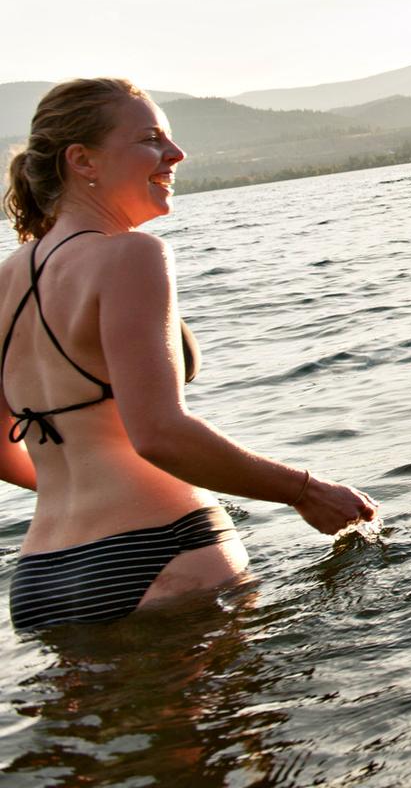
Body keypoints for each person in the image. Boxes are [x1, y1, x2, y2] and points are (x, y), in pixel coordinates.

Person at [1, 78, 377, 631]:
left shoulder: (5, 280)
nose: (176, 155)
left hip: (41, 578)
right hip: (157, 549)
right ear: (82, 160)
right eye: (152, 139)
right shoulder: (131, 255)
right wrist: (306, 490)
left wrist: (80, 480)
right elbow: (159, 433)